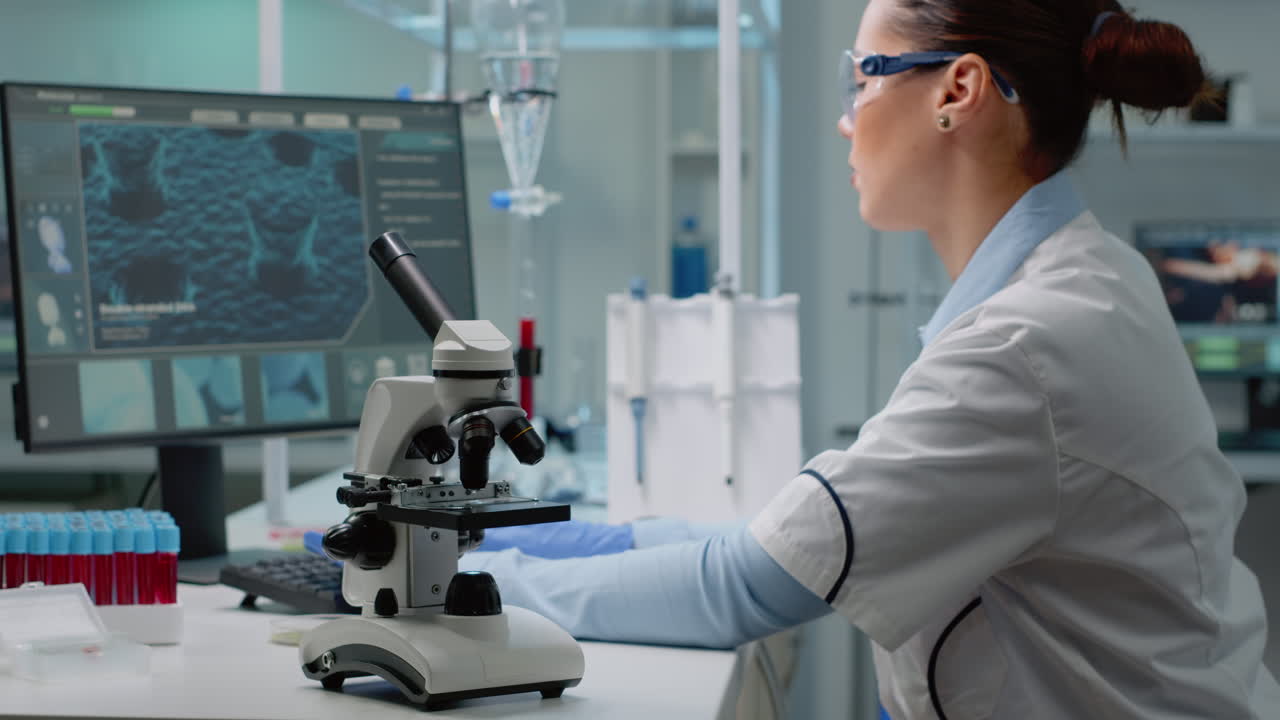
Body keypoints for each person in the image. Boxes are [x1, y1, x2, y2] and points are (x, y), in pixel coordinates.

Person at [461, 1, 1280, 717]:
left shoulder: (1027, 344)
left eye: (864, 76)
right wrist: (486, 546)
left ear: (957, 92)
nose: (846, 116)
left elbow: (744, 585)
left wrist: (448, 593)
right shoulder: (1075, 283)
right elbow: (762, 538)